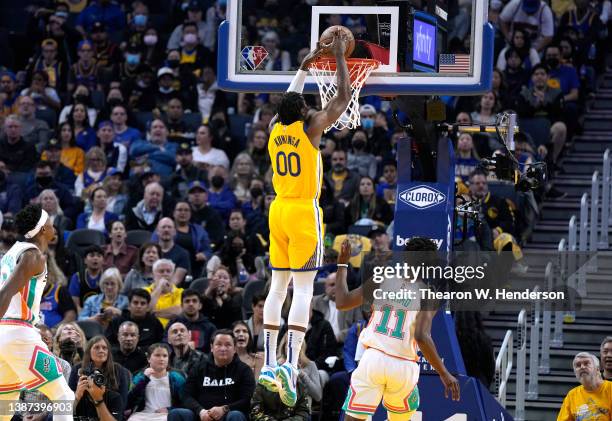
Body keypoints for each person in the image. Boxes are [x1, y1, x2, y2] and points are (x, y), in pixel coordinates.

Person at [261, 33, 351, 407]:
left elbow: (289, 99)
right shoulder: (310, 128)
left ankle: (268, 363)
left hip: (277, 209)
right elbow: (343, 99)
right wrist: (340, 58)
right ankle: (290, 360)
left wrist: (303, 68)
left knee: (276, 288)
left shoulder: (274, 131)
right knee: (303, 290)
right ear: (304, 114)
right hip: (302, 211)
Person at [334, 238, 460, 420]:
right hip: (403, 366)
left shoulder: (382, 279)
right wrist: (444, 373)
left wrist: (342, 265)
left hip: (373, 359)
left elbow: (342, 302)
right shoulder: (428, 295)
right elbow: (422, 336)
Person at [0, 204, 75, 421]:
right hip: (18, 333)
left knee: (4, 407)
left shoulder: (11, 252)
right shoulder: (33, 256)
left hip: (5, 334)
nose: (54, 227)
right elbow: (6, 292)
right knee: (63, 397)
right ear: (43, 229)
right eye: (51, 223)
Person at [172, 329, 256, 421]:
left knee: (235, 415)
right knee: (176, 413)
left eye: (228, 345)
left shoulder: (244, 370)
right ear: (212, 347)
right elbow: (186, 395)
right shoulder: (199, 368)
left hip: (229, 415)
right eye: (219, 344)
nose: (223, 348)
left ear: (235, 349)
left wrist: (224, 409)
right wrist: (200, 411)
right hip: (202, 416)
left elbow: (247, 399)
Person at [70, 335, 131, 420]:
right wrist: (77, 395)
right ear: (89, 351)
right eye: (97, 347)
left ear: (108, 352)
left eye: (104, 348)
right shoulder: (77, 369)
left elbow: (122, 404)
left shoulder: (119, 370)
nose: (101, 350)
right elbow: (63, 409)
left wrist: (98, 398)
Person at [127, 343, 186, 420]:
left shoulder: (176, 377)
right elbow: (130, 400)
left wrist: (169, 410)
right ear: (148, 358)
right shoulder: (140, 376)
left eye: (165, 356)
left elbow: (185, 401)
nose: (161, 359)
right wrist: (144, 380)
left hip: (167, 416)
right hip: (142, 415)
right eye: (157, 355)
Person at [557, 352, 612, 420]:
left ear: (597, 369)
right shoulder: (571, 395)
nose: (582, 367)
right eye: (578, 365)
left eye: (586, 363)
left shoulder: (610, 389)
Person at [165, 289, 216, 353]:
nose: (191, 304)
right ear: (182, 306)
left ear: (200, 305)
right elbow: (166, 345)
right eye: (187, 301)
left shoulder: (209, 328)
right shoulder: (172, 325)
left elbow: (212, 350)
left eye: (194, 301)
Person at [145, 259, 184, 328]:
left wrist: (153, 313)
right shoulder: (145, 291)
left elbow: (179, 311)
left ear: (173, 274)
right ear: (153, 274)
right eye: (161, 271)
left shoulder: (181, 292)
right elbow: (146, 309)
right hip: (150, 329)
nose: (165, 274)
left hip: (173, 329)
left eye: (168, 271)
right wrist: (159, 287)